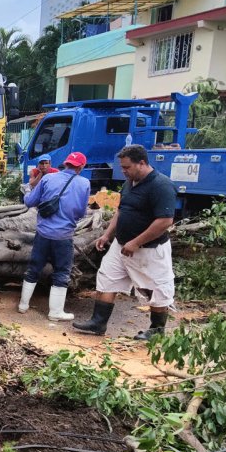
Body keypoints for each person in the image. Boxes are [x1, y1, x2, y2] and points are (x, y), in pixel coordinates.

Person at [73, 145, 178, 340]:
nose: (123, 171)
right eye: (122, 167)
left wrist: (137, 242)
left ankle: (156, 330)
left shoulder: (161, 186)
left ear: (142, 163)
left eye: (127, 167)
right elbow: (122, 211)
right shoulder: (130, 182)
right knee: (107, 278)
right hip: (120, 245)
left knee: (158, 287)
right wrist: (107, 235)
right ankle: (98, 323)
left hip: (149, 250)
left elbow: (165, 221)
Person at [19, 152, 91, 320]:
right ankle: (55, 312)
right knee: (62, 272)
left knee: (34, 267)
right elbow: (81, 213)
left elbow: (29, 202)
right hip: (64, 236)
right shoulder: (84, 183)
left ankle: (23, 305)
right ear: (81, 167)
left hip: (43, 233)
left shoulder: (47, 179)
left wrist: (28, 191)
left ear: (65, 164)